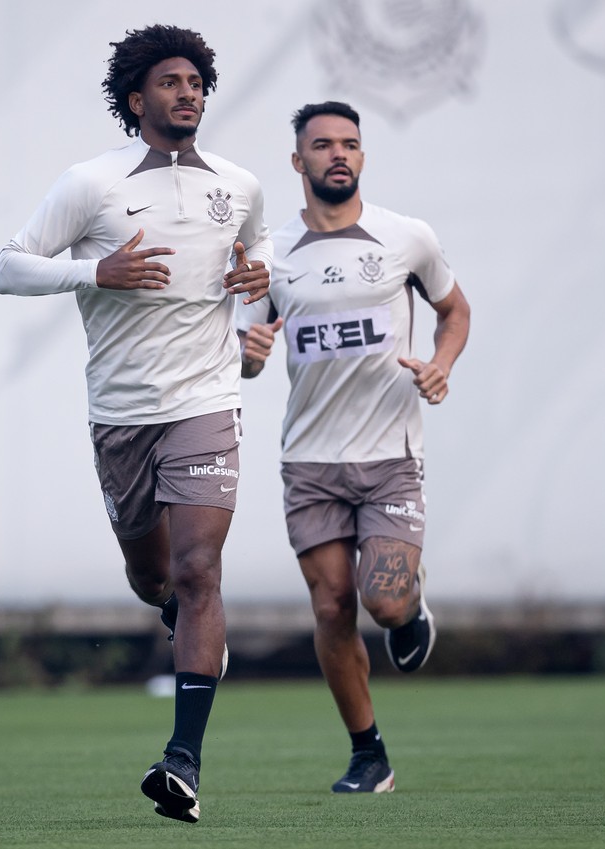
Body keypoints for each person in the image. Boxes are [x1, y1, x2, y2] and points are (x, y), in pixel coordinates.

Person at [0, 24, 272, 823]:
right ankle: (181, 619)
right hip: (121, 414)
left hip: (206, 403)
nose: (188, 93)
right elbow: (7, 266)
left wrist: (255, 278)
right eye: (171, 82)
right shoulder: (91, 184)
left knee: (198, 571)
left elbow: (257, 260)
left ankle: (182, 760)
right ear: (136, 99)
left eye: (196, 82)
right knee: (155, 578)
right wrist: (95, 270)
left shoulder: (240, 185)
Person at [237, 101, 470, 794]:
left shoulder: (406, 238)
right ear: (297, 161)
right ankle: (369, 754)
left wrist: (440, 364)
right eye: (323, 145)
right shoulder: (271, 256)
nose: (338, 154)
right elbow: (248, 355)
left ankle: (411, 605)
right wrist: (249, 354)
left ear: (362, 156)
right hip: (310, 463)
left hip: (390, 457)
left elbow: (454, 310)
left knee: (385, 602)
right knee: (332, 607)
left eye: (350, 144)